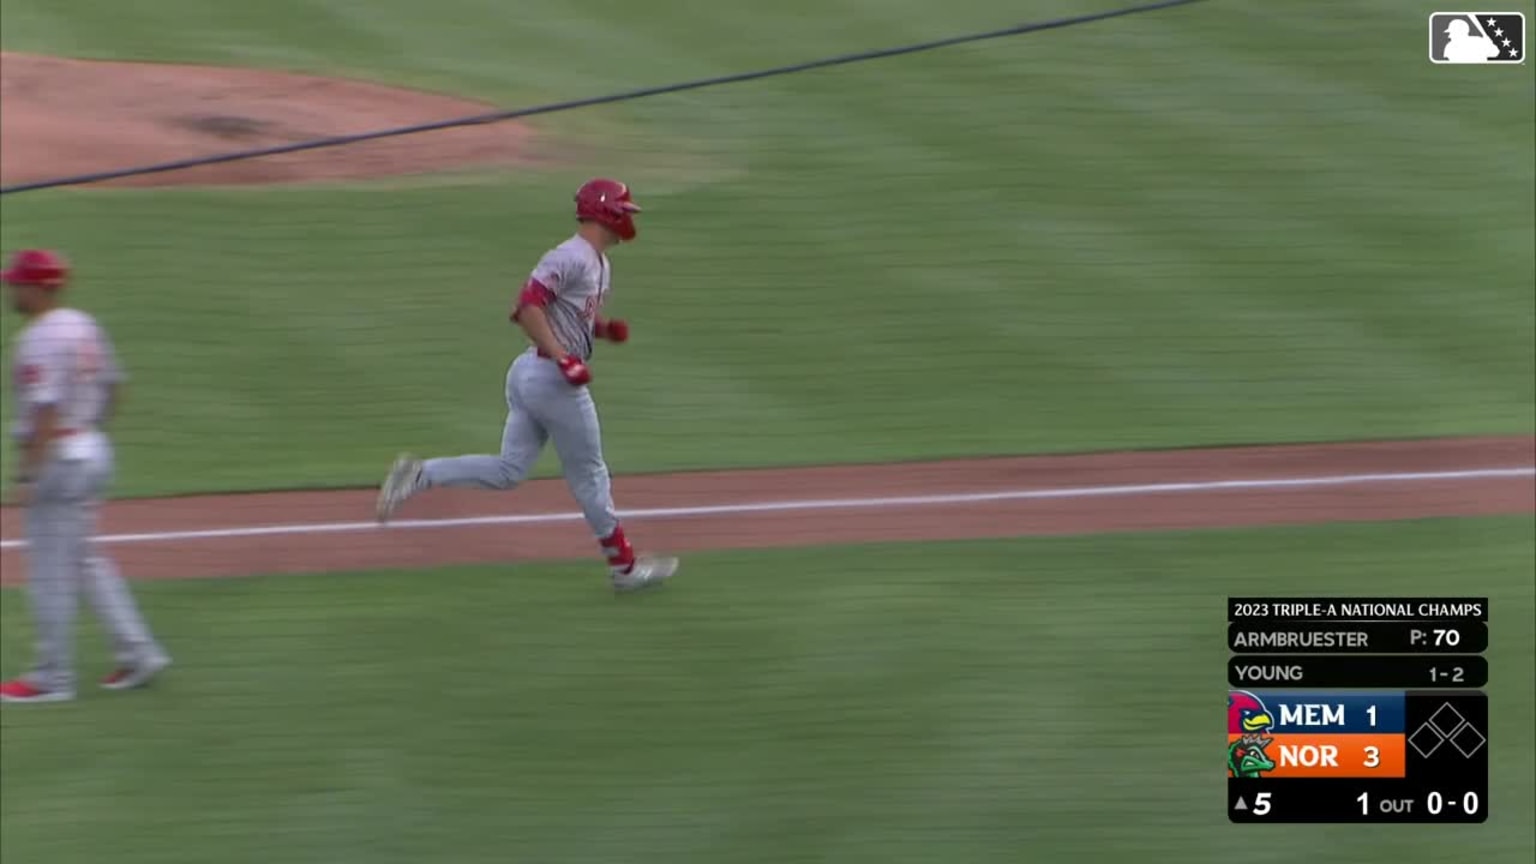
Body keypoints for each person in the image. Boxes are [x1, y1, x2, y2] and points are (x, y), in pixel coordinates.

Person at [376, 179, 678, 593]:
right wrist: (563, 357)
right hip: (550, 380)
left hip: (532, 374)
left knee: (509, 470)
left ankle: (421, 474)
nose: (628, 219)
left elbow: (568, 314)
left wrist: (604, 329)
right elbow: (526, 307)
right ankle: (625, 569)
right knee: (590, 475)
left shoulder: (598, 263)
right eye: (623, 210)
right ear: (605, 212)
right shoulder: (570, 256)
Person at [1, 249, 170, 704]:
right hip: (91, 449)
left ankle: (51, 678)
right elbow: (114, 385)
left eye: (17, 283)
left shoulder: (38, 340)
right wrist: (91, 430)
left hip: (58, 459)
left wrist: (28, 474)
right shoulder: (82, 324)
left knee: (48, 573)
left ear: (39, 288)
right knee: (85, 561)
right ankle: (140, 653)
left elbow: (45, 409)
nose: (10, 289)